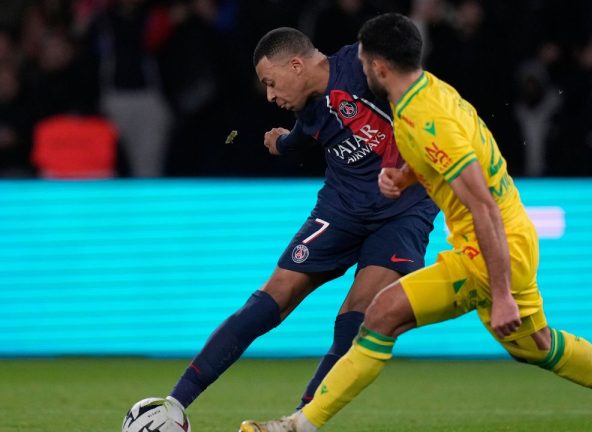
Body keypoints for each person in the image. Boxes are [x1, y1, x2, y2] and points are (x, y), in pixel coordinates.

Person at [241, 13, 592, 432]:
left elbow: (482, 205)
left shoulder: (424, 120)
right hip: (512, 238)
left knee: (381, 315)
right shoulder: (423, 95)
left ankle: (299, 425)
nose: (353, 67)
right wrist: (407, 175)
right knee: (535, 344)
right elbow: (445, 161)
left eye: (360, 60)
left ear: (378, 65)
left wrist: (502, 294)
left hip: (488, 251)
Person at [164, 27, 438, 417]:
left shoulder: (364, 66)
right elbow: (301, 136)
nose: (270, 95)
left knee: (356, 316)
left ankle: (299, 422)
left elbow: (417, 87)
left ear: (296, 64)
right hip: (340, 210)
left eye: (271, 83)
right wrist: (279, 143)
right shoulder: (308, 110)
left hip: (402, 212)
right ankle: (174, 404)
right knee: (271, 296)